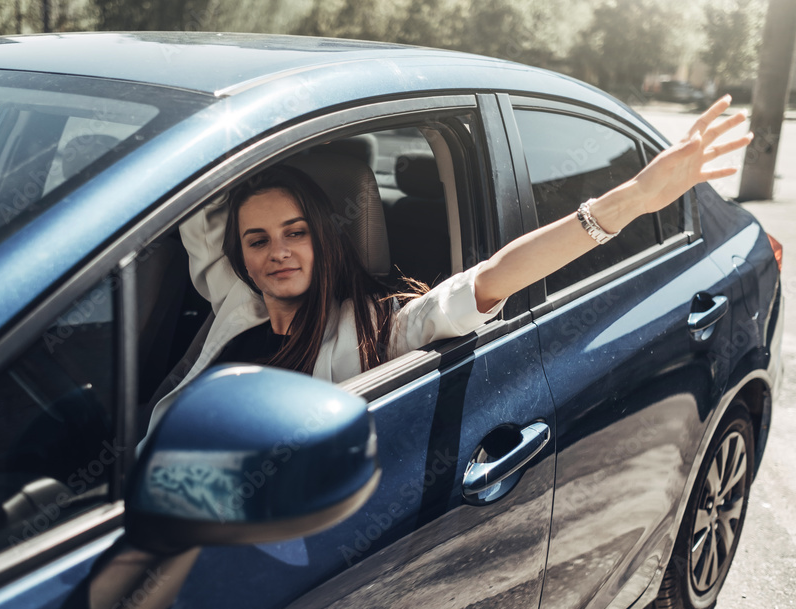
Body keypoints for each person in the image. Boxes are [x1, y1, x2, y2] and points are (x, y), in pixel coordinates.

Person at [149, 96, 751, 422]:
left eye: (296, 231)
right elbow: (191, 194)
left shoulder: (374, 327)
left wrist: (632, 201)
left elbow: (490, 280)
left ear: (325, 239)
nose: (277, 250)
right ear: (242, 257)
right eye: (257, 240)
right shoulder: (235, 298)